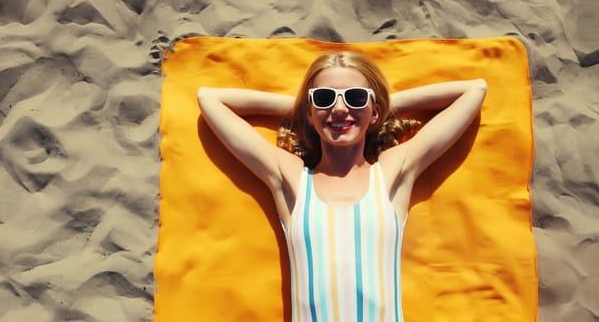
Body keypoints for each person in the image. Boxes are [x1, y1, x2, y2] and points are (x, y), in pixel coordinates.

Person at [197, 51, 486, 322]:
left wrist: (376, 106)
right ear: (309, 112)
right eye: (323, 98)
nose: (338, 108)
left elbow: (474, 91)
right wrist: (306, 109)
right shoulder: (293, 180)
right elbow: (209, 99)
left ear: (375, 111)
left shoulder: (390, 174)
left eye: (356, 97)